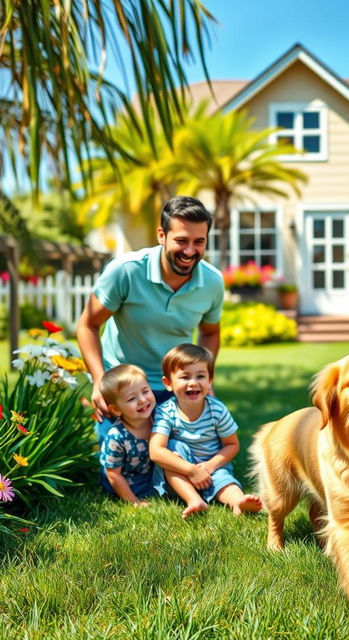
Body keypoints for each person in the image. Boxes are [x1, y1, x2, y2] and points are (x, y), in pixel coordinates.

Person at [76, 196, 224, 443]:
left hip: (177, 386)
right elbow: (88, 325)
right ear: (161, 235)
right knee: (120, 474)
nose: (190, 251)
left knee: (185, 471)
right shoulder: (126, 271)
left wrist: (203, 378)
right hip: (124, 387)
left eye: (199, 242)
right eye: (181, 241)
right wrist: (100, 380)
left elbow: (210, 332)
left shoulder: (212, 281)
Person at [149, 343, 262, 518]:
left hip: (211, 468)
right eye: (184, 377)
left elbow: (232, 444)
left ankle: (238, 502)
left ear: (210, 380)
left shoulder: (217, 410)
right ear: (168, 383)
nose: (193, 383)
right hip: (180, 474)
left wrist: (209, 466)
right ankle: (194, 500)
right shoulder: (166, 411)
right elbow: (156, 452)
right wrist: (190, 470)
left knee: (225, 481)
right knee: (172, 450)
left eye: (200, 376)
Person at [98, 364, 156, 506]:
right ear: (116, 410)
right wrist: (134, 502)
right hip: (127, 481)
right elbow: (113, 474)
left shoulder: (159, 417)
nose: (142, 400)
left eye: (145, 391)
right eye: (131, 399)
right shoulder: (117, 437)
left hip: (151, 473)